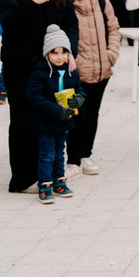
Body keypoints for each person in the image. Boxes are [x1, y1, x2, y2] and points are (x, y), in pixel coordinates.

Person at [0, 0, 79, 193]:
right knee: (22, 120)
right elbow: (11, 27)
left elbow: (70, 24)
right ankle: (23, 178)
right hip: (20, 65)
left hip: (50, 67)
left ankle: (49, 173)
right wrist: (33, 3)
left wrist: (70, 51)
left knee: (50, 116)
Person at [60, 0, 120, 178]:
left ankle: (86, 154)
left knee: (92, 114)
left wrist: (111, 53)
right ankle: (73, 159)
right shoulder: (65, 5)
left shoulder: (103, 2)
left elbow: (114, 28)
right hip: (77, 72)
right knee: (77, 114)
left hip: (102, 69)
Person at [27, 25, 85, 204]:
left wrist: (79, 99)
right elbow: (35, 98)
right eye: (55, 53)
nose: (60, 57)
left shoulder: (72, 72)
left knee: (60, 153)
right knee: (47, 153)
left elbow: (80, 91)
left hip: (64, 122)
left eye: (63, 52)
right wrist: (57, 111)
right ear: (47, 54)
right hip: (45, 122)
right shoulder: (40, 73)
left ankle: (59, 181)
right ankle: (45, 184)